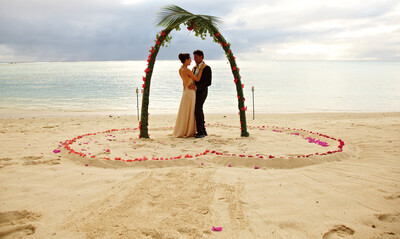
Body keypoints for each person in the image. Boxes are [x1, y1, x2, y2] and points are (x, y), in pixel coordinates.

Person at [172, 53, 205, 138]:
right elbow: (197, 79)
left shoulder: (181, 69)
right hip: (190, 93)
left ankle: (184, 129)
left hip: (186, 91)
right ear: (186, 60)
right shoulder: (187, 70)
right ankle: (188, 130)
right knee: (190, 111)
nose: (191, 60)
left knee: (185, 111)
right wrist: (201, 69)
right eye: (190, 59)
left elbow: (184, 83)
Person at [191, 50, 212, 138]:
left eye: (196, 57)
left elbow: (208, 82)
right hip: (194, 93)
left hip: (202, 92)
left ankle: (201, 132)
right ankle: (202, 131)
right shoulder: (195, 68)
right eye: (194, 57)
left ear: (201, 57)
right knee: (197, 110)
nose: (194, 59)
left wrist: (196, 87)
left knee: (198, 109)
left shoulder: (206, 68)